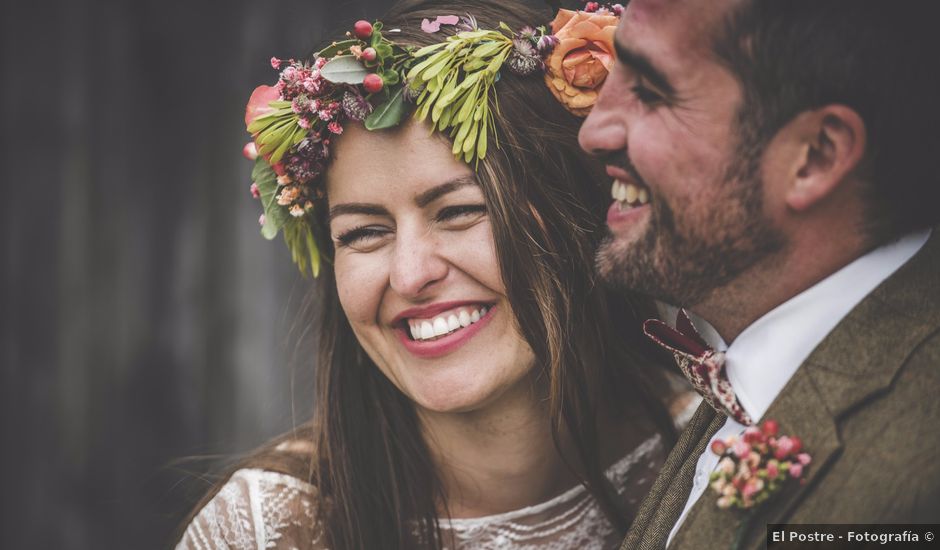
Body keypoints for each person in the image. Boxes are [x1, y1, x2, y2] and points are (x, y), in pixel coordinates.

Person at [178, 1, 691, 548]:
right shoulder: (265, 530)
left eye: (459, 212)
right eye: (363, 233)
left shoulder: (722, 457)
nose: (409, 274)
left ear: (582, 210)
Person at [578, 0, 940, 548]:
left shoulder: (914, 482)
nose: (593, 131)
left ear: (815, 156)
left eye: (651, 91)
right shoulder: (756, 352)